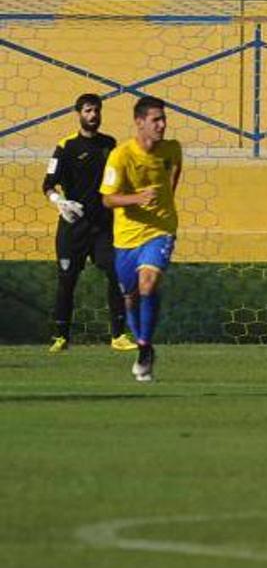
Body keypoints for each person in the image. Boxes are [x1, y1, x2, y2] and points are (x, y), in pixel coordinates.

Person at [98, 96, 183, 383]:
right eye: (156, 119)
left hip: (160, 230)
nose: (162, 124)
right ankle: (144, 346)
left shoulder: (172, 149)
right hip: (126, 237)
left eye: (163, 119)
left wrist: (164, 204)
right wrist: (138, 198)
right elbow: (108, 199)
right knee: (130, 297)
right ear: (139, 122)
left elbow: (173, 174)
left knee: (148, 283)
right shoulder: (120, 156)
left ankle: (144, 347)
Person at [41, 93, 129, 353]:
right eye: (89, 111)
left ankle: (118, 335)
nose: (94, 116)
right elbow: (47, 184)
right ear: (78, 113)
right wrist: (60, 202)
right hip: (73, 226)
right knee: (67, 279)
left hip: (103, 226)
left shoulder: (109, 144)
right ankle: (61, 336)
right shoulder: (65, 147)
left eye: (97, 110)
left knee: (116, 273)